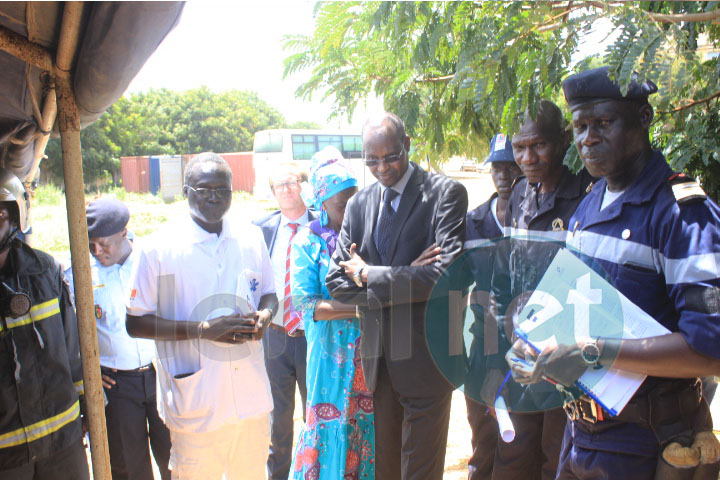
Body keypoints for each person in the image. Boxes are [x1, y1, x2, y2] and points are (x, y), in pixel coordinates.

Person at [508, 66, 720, 479]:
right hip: (582, 434)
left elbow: (710, 348)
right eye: (581, 126)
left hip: (652, 442)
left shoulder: (681, 213)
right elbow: (575, 317)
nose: (589, 138)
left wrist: (595, 350)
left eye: (604, 123)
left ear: (643, 118)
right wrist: (537, 352)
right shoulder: (590, 205)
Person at [326, 112, 469, 479]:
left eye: (390, 156)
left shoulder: (444, 194)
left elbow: (446, 278)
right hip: (381, 362)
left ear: (407, 145)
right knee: (387, 470)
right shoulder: (359, 204)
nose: (382, 167)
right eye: (371, 160)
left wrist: (369, 273)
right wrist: (411, 275)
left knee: (420, 472)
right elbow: (337, 283)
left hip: (429, 358)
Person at [126, 152, 278, 480]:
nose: (214, 196)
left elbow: (269, 292)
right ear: (185, 192)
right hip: (197, 406)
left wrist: (265, 314)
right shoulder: (159, 249)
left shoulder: (250, 238)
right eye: (203, 189)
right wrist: (202, 329)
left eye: (222, 189)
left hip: (251, 399)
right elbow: (135, 322)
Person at [491, 100, 593, 480]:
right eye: (519, 148)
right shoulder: (518, 194)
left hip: (564, 355)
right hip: (519, 350)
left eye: (538, 145)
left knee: (558, 454)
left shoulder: (587, 195)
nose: (528, 157)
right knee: (513, 453)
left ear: (563, 140)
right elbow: (506, 270)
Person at [71, 198, 171, 480]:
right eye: (91, 244)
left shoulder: (154, 261)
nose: (97, 251)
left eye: (104, 244)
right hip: (117, 385)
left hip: (162, 375)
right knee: (128, 466)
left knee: (176, 457)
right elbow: (69, 332)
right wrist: (85, 370)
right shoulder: (80, 273)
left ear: (124, 233)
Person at [290, 146, 374, 479]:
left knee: (366, 425)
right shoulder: (306, 242)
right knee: (331, 425)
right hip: (328, 360)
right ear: (322, 204)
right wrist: (363, 307)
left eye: (355, 200)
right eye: (343, 204)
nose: (352, 210)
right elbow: (306, 306)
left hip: (369, 356)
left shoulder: (367, 238)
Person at [0, 169, 88, 479]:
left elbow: (72, 346)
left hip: (62, 440)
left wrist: (86, 405)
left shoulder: (45, 270)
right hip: (6, 455)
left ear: (17, 217)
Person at [463, 133, 523, 479]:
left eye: (510, 167)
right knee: (483, 439)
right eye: (496, 168)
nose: (503, 176)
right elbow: (454, 282)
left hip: (526, 350)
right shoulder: (473, 222)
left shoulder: (535, 220)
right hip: (483, 349)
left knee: (520, 445)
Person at [253, 163, 317, 480]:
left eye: (293, 182)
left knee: (315, 412)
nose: (287, 189)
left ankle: (313, 472)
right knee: (278, 416)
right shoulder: (261, 229)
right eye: (280, 185)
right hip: (275, 336)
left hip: (314, 336)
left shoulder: (323, 226)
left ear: (304, 186)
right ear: (273, 193)